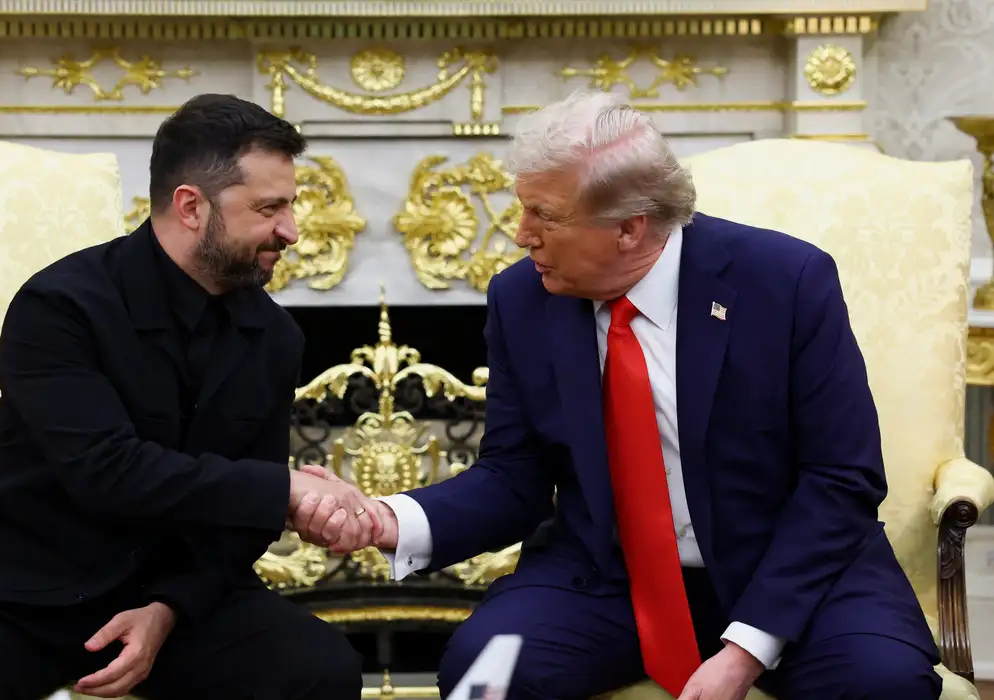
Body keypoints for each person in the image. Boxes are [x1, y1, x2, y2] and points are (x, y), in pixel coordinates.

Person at [291, 91, 942, 700]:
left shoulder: (785, 282)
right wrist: (389, 519)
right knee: (486, 672)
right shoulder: (522, 299)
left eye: (544, 216)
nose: (521, 234)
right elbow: (514, 477)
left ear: (630, 228)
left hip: (791, 573)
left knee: (884, 682)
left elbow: (841, 478)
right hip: (607, 580)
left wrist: (745, 650)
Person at [0, 93, 379, 700]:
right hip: (16, 585)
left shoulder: (274, 336)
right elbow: (106, 470)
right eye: (268, 208)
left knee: (319, 670)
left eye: (289, 205)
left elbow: (237, 524)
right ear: (191, 206)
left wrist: (168, 608)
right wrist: (287, 489)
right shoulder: (61, 305)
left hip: (167, 590)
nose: (290, 231)